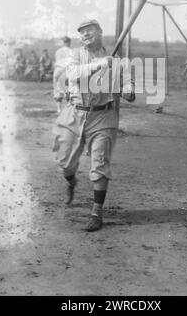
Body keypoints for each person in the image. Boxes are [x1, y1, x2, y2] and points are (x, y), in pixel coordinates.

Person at [53, 19, 135, 232]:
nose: (86, 35)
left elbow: (128, 88)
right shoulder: (74, 56)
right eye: (82, 32)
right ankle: (71, 181)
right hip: (75, 113)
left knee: (99, 164)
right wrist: (100, 64)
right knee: (65, 162)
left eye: (90, 30)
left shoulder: (118, 61)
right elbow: (72, 75)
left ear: (100, 32)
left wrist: (127, 91)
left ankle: (96, 212)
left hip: (103, 116)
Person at [53, 36, 72, 113]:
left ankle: (59, 109)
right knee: (68, 89)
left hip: (58, 70)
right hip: (67, 70)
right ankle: (68, 109)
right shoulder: (72, 51)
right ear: (68, 42)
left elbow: (57, 61)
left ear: (63, 42)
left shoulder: (58, 51)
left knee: (57, 89)